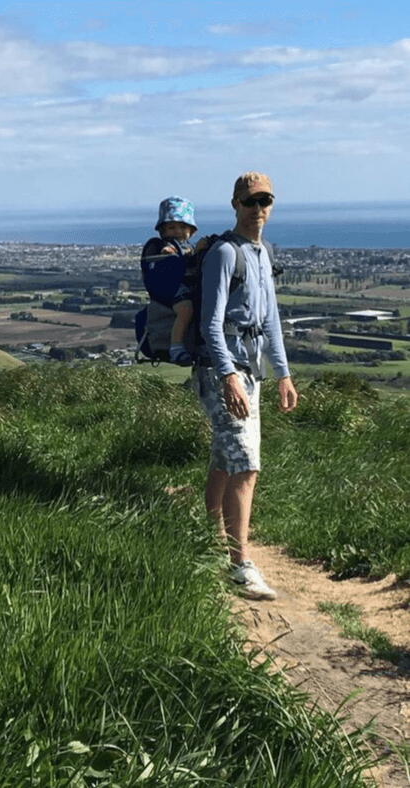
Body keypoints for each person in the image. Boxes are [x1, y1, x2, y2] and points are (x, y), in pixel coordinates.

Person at [193, 172, 298, 600]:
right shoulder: (224, 254)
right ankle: (239, 566)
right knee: (246, 466)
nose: (259, 209)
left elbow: (270, 319)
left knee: (225, 458)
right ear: (235, 204)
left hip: (249, 372)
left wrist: (283, 374)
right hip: (224, 372)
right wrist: (228, 376)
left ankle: (212, 540)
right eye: (251, 201)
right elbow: (209, 324)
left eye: (265, 201)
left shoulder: (261, 252)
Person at [141, 196, 207, 365]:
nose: (177, 231)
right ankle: (176, 348)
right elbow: (167, 256)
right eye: (172, 227)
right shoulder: (163, 246)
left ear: (191, 230)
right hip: (170, 289)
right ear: (163, 230)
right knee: (186, 309)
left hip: (182, 288)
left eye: (182, 227)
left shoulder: (187, 247)